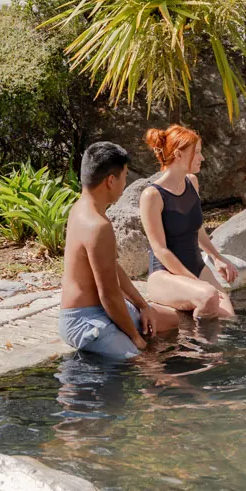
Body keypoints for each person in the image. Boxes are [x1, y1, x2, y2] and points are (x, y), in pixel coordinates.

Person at [60, 141, 184, 359]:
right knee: (145, 362)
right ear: (110, 181)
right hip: (84, 321)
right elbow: (109, 295)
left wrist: (143, 306)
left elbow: (111, 267)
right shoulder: (97, 226)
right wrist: (136, 340)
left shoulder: (80, 209)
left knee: (172, 321)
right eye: (125, 176)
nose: (126, 183)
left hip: (101, 309)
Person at [138, 125, 240, 320]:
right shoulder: (152, 195)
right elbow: (160, 250)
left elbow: (197, 230)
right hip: (165, 275)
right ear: (179, 154)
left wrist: (217, 257)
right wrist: (195, 283)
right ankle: (193, 340)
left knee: (229, 317)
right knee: (208, 297)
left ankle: (199, 334)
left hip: (197, 267)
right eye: (198, 152)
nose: (203, 158)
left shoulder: (192, 182)